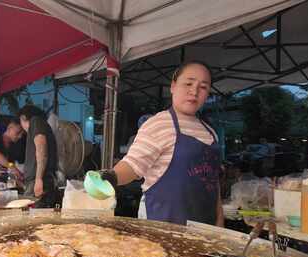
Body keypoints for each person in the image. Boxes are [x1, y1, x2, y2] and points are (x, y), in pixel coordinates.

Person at [94, 61, 223, 226]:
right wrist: (110, 177)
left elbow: (214, 183)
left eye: (203, 87)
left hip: (205, 228)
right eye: (188, 83)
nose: (194, 91)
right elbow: (133, 165)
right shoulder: (159, 124)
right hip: (162, 223)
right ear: (173, 86)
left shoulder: (211, 133)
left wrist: (219, 222)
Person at [18, 105, 58, 207]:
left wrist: (38, 179)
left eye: (20, 122)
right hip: (40, 180)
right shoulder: (42, 125)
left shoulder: (36, 121)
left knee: (34, 218)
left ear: (23, 117)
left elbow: (41, 148)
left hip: (40, 180)